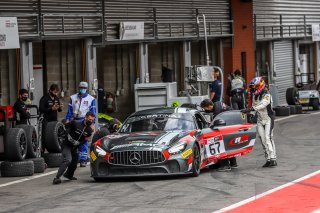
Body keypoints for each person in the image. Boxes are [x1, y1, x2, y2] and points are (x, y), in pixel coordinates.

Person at [242, 77, 277, 168]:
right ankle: (268, 159)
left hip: (269, 118)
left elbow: (263, 104)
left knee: (268, 137)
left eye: (255, 87)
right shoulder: (254, 96)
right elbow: (253, 106)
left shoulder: (267, 94)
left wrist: (251, 109)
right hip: (260, 120)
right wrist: (251, 113)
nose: (253, 89)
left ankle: (273, 158)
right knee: (262, 139)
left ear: (260, 85)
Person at [53, 112, 95, 184]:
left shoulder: (89, 130)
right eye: (89, 119)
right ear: (85, 117)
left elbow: (85, 140)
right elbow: (65, 127)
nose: (90, 121)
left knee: (74, 163)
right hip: (66, 145)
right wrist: (67, 135)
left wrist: (79, 143)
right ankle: (57, 178)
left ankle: (68, 175)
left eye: (92, 120)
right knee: (68, 160)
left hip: (75, 147)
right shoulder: (75, 123)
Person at [200, 99, 237, 171]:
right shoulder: (217, 103)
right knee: (228, 145)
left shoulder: (217, 111)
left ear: (209, 106)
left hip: (227, 128)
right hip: (232, 126)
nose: (206, 110)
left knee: (222, 145)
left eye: (205, 108)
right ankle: (233, 163)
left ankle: (225, 165)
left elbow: (214, 124)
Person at [65, 81, 96, 167]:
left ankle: (83, 159)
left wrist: (92, 123)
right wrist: (67, 120)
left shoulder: (91, 99)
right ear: (79, 88)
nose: (83, 90)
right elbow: (69, 110)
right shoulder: (73, 97)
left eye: (84, 88)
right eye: (81, 88)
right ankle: (75, 157)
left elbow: (93, 113)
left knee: (84, 139)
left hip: (85, 121)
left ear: (86, 89)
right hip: (75, 120)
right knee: (74, 138)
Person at [39, 84, 64, 152]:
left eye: (56, 92)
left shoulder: (56, 98)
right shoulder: (44, 98)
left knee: (55, 135)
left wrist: (60, 108)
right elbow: (41, 109)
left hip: (54, 121)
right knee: (45, 136)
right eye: (54, 92)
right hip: (46, 120)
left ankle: (54, 149)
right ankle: (42, 151)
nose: (55, 94)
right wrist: (51, 109)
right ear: (50, 90)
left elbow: (58, 110)